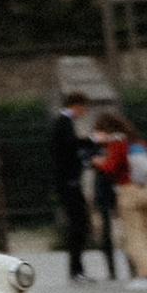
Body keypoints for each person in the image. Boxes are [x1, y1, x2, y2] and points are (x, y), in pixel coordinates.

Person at [54, 90, 97, 280]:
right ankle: (76, 268)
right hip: (69, 182)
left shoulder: (64, 122)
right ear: (77, 105)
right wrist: (92, 140)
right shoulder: (63, 122)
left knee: (80, 223)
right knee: (79, 223)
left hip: (70, 181)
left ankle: (77, 268)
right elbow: (69, 146)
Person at [91, 108, 131, 281]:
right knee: (123, 229)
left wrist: (98, 162)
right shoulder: (125, 140)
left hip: (109, 188)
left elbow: (110, 167)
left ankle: (114, 269)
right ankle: (130, 267)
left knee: (111, 230)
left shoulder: (114, 143)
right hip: (117, 188)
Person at [120, 129, 147, 287]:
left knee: (133, 235)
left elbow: (112, 167)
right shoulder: (141, 146)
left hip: (130, 189)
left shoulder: (120, 145)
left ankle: (143, 273)